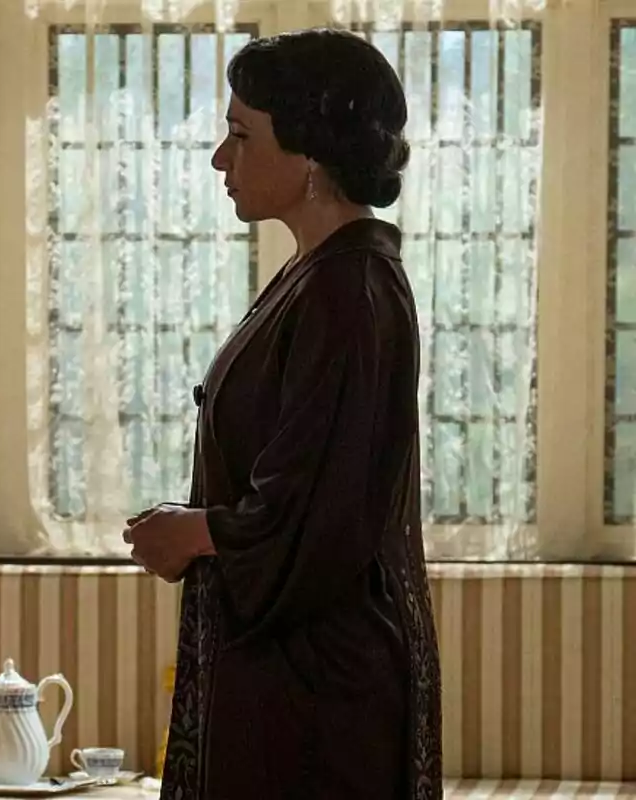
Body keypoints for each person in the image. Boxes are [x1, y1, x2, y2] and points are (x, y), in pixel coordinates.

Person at [123, 29, 442, 799]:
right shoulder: (321, 276)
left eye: (240, 135)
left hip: (319, 692)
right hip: (296, 674)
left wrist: (193, 532)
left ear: (307, 155)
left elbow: (319, 511)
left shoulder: (349, 291)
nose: (219, 159)